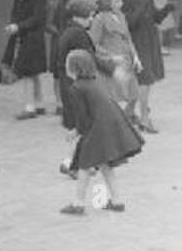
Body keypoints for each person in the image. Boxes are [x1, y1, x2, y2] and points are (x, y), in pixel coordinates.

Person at [58, 49, 143, 215]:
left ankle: (78, 204)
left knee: (84, 164)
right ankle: (117, 201)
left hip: (98, 126)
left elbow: (83, 118)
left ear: (73, 68)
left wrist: (76, 131)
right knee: (105, 164)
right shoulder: (94, 82)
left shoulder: (76, 88)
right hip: (110, 122)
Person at [121, 0, 173, 131]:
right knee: (145, 79)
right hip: (137, 41)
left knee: (145, 80)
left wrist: (166, 9)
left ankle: (128, 112)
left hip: (150, 39)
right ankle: (144, 118)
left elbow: (155, 18)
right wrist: (143, 5)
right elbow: (130, 22)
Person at [56, 0, 98, 178]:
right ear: (79, 17)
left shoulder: (67, 32)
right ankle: (72, 164)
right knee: (83, 125)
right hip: (77, 84)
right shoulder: (79, 35)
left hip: (67, 83)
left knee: (79, 125)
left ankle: (79, 162)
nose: (90, 20)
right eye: (89, 16)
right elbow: (88, 59)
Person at [3, 0, 50, 119]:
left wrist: (19, 26)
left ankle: (29, 107)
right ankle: (39, 104)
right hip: (22, 35)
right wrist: (12, 24)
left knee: (28, 73)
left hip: (33, 37)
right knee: (33, 72)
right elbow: (14, 11)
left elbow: (39, 18)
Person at [89, 0, 139, 116]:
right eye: (116, 1)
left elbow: (128, 37)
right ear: (107, 1)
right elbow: (94, 43)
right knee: (117, 95)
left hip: (127, 59)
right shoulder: (99, 19)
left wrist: (136, 56)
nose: (120, 4)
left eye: (121, 1)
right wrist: (110, 56)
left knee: (133, 93)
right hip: (112, 63)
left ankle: (128, 117)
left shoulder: (121, 15)